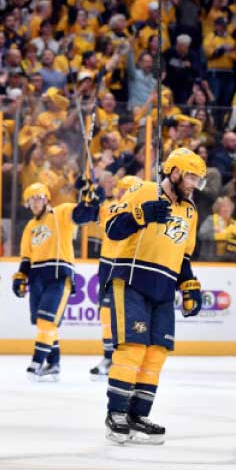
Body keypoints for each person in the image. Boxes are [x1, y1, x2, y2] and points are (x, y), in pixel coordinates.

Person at [103, 148, 206, 445]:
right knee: (133, 347)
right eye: (190, 177)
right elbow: (112, 229)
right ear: (173, 172)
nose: (193, 185)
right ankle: (117, 413)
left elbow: (184, 256)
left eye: (197, 180)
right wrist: (142, 214)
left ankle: (138, 414)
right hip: (132, 279)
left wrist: (189, 285)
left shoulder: (190, 210)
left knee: (156, 352)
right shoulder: (145, 190)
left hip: (164, 287)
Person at [12, 180, 102, 382]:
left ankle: (37, 362)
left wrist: (89, 203)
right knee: (43, 323)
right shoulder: (30, 226)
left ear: (47, 199)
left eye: (38, 198)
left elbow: (80, 215)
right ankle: (54, 364)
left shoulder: (60, 213)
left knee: (47, 321)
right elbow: (26, 256)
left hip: (58, 275)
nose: (34, 203)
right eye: (30, 200)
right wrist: (21, 277)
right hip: (36, 276)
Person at [89, 175, 142, 380]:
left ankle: (123, 359)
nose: (121, 193)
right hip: (107, 265)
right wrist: (91, 201)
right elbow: (95, 214)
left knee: (123, 315)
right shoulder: (112, 207)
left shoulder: (140, 214)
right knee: (105, 312)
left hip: (126, 266)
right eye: (120, 189)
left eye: (126, 189)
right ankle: (108, 357)